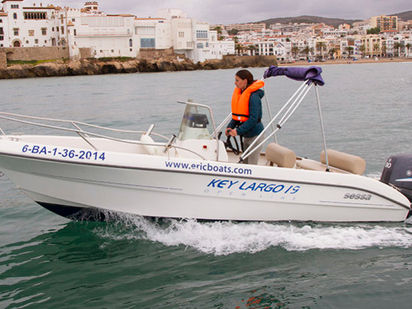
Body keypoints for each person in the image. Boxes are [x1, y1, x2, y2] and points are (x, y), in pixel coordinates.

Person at [225, 69, 265, 165]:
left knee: (251, 165)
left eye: (237, 80)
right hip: (246, 135)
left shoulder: (253, 97)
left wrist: (238, 131)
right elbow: (237, 116)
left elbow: (253, 119)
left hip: (255, 136)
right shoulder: (242, 94)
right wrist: (230, 127)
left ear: (245, 81)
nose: (235, 83)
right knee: (245, 163)